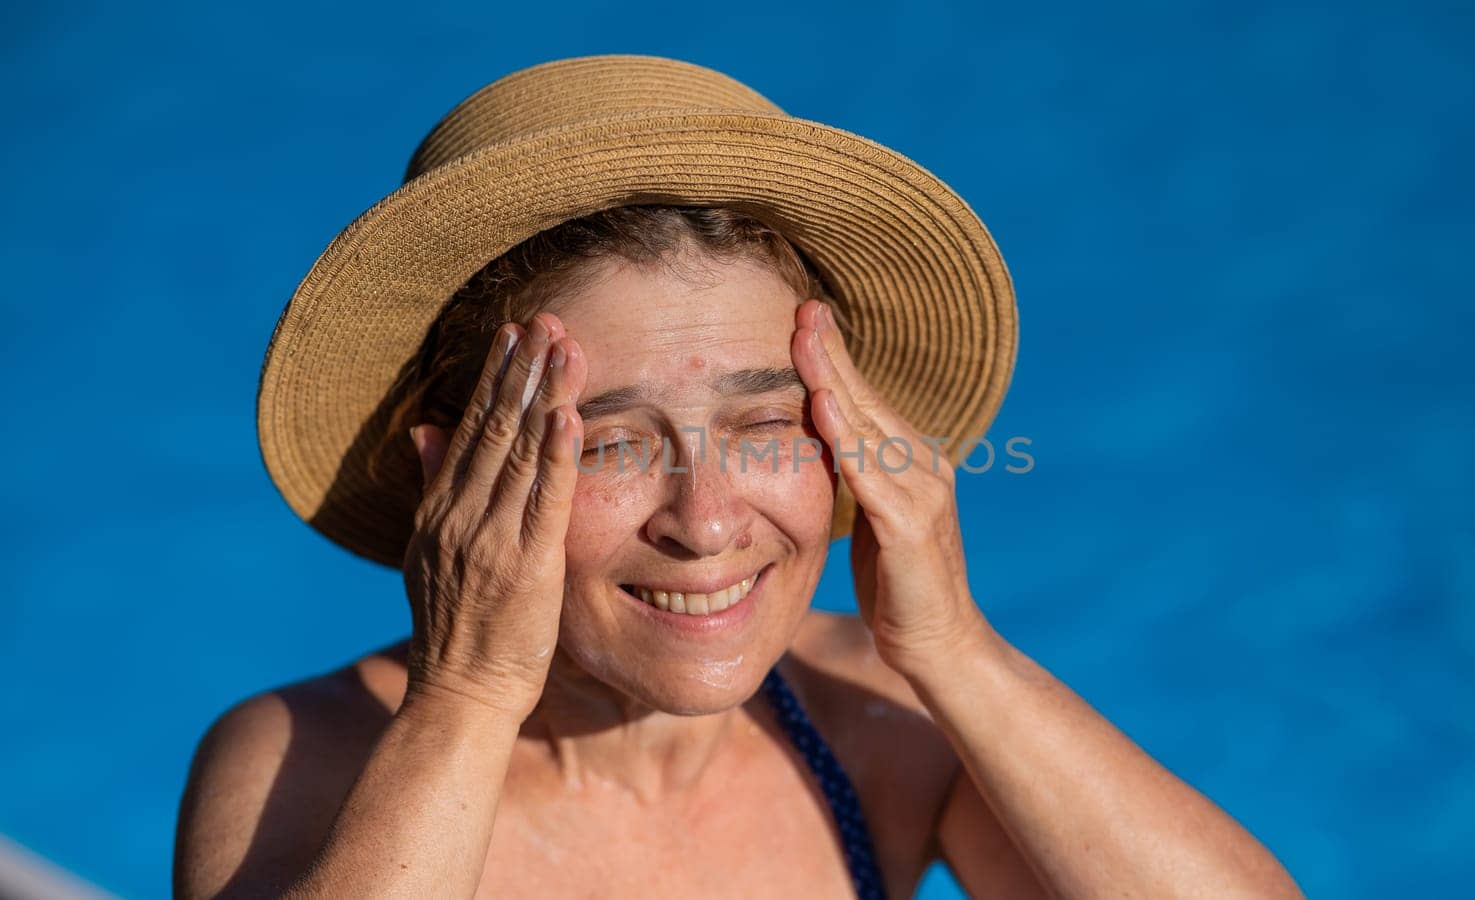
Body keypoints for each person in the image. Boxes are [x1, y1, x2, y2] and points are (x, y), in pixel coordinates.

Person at [175, 55, 1302, 899]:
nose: (708, 521)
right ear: (450, 481)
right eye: (609, 444)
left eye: (766, 424)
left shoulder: (882, 724)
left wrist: (954, 651)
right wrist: (466, 702)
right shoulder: (305, 761)